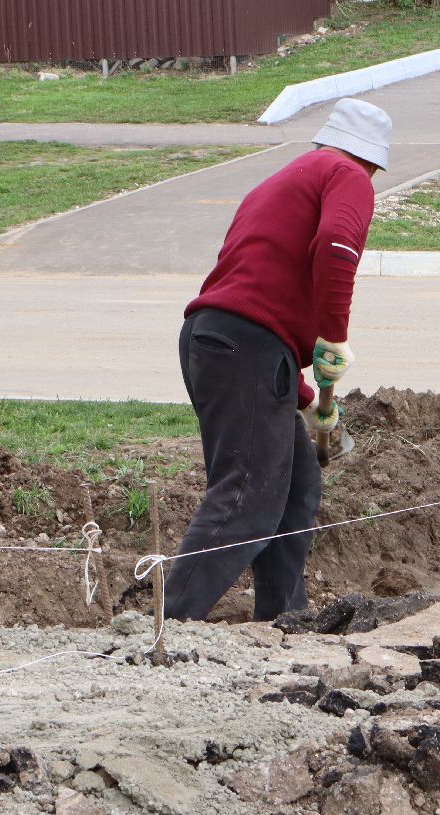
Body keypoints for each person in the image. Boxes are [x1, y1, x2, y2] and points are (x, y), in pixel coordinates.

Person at [164, 98, 391, 622]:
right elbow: (336, 250)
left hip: (221, 341)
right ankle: (166, 622)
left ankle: (285, 620)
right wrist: (333, 339)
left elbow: (263, 287)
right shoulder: (347, 174)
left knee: (298, 484)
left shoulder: (290, 176)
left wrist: (308, 401)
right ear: (373, 160)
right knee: (247, 495)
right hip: (246, 345)